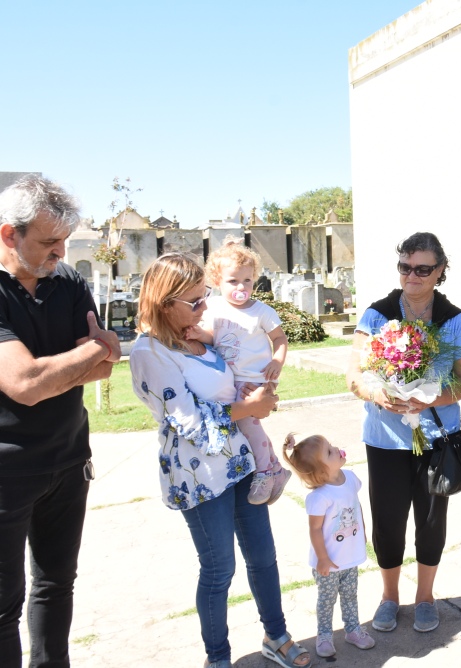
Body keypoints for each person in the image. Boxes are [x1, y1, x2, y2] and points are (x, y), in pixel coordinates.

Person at [129, 253, 311, 668]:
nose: (203, 308)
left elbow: (234, 382)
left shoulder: (197, 336)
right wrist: (251, 409)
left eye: (203, 297)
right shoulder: (149, 352)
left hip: (240, 465)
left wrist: (256, 397)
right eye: (194, 301)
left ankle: (276, 635)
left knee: (263, 557)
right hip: (199, 477)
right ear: (163, 302)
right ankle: (218, 658)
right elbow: (187, 422)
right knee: (218, 571)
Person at [0, 176, 120, 667]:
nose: (60, 252)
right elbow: (25, 383)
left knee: (55, 586)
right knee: (2, 607)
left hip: (69, 463)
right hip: (7, 474)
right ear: (10, 234)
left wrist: (68, 366)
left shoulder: (67, 280)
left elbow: (103, 367)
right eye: (49, 242)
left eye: (64, 241)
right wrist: (92, 348)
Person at [345, 232, 461, 634]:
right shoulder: (377, 314)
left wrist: (427, 401)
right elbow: (354, 376)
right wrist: (380, 395)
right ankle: (388, 596)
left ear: (439, 271)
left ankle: (425, 597)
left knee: (431, 520)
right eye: (406, 267)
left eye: (423, 269)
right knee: (387, 522)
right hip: (385, 439)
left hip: (436, 440)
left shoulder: (453, 320)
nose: (413, 276)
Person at [187, 240, 291, 504]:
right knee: (247, 424)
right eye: (233, 281)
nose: (241, 287)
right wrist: (200, 334)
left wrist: (277, 362)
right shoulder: (214, 307)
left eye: (247, 280)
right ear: (216, 280)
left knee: (246, 421)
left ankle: (266, 472)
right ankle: (276, 468)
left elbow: (280, 339)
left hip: (256, 377)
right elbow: (216, 338)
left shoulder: (261, 312)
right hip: (230, 378)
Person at [282, 433, 375, 658]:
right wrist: (322, 559)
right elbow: (315, 530)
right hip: (328, 561)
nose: (337, 449)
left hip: (349, 557)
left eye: (332, 446)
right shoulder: (319, 497)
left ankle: (353, 629)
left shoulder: (350, 478)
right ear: (321, 471)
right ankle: (324, 635)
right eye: (330, 451)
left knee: (350, 594)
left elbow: (356, 506)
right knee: (326, 600)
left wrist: (361, 531)